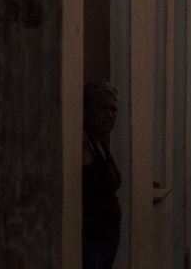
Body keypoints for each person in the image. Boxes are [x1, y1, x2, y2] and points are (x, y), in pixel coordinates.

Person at [82, 81, 122, 269]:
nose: (109, 115)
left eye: (113, 110)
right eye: (102, 109)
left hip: (107, 239)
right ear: (87, 111)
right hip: (92, 240)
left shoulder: (100, 143)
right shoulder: (84, 142)